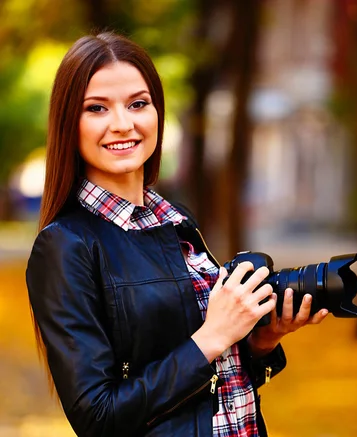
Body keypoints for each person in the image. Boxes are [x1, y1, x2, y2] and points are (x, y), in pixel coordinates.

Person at [25, 32, 328, 437]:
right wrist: (213, 336)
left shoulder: (176, 222)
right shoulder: (66, 245)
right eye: (96, 108)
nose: (123, 124)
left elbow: (215, 387)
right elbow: (97, 417)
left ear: (158, 112)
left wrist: (259, 342)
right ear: (69, 123)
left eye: (138, 104)